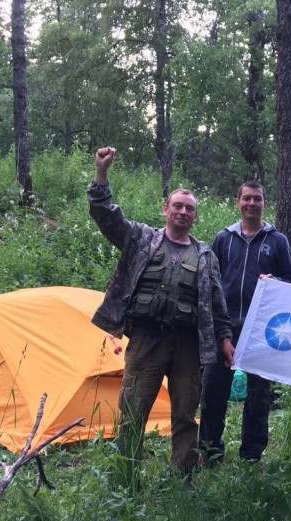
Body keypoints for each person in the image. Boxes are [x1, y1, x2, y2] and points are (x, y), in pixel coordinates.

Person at [87, 146, 234, 488]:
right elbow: (105, 213)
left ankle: (183, 476)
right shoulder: (140, 239)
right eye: (178, 206)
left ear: (195, 216)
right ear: (165, 209)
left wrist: (225, 340)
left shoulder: (205, 255)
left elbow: (216, 302)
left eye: (190, 209)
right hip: (145, 340)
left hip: (188, 345)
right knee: (133, 411)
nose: (183, 212)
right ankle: (126, 479)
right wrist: (101, 173)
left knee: (184, 414)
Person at [199, 180, 291, 464]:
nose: (251, 204)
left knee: (258, 395)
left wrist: (275, 281)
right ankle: (210, 451)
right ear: (237, 202)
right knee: (213, 390)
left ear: (265, 204)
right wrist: (216, 325)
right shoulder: (223, 238)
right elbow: (212, 280)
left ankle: (251, 455)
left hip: (261, 329)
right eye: (247, 199)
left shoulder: (277, 240)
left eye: (257, 199)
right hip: (225, 325)